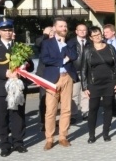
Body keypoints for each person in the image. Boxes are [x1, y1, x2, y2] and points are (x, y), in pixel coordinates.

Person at [0, 18, 31, 156]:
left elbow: (31, 66)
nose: (8, 33)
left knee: (18, 116)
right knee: (2, 117)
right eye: (4, 30)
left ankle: (18, 142)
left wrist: (26, 66)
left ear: (13, 31)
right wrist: (5, 73)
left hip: (18, 87)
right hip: (1, 88)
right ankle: (5, 145)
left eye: (10, 30)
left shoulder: (20, 46)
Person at [80, 26, 116, 143]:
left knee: (108, 107)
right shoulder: (88, 50)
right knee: (93, 108)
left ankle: (106, 133)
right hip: (94, 84)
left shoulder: (110, 48)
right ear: (90, 37)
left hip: (109, 82)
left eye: (99, 34)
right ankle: (92, 135)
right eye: (94, 35)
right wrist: (84, 86)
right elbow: (83, 69)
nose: (97, 37)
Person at [40, 17, 78, 150]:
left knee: (66, 109)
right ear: (54, 28)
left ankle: (63, 137)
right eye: (61, 26)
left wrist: (64, 44)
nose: (64, 28)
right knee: (50, 110)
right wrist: (62, 61)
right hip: (52, 79)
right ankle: (49, 139)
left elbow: (74, 56)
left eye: (65, 26)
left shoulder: (69, 43)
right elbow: (45, 59)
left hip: (67, 77)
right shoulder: (47, 43)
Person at [70, 23, 90, 122]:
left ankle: (86, 112)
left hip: (86, 72)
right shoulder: (71, 43)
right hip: (74, 71)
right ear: (76, 31)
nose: (82, 32)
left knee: (85, 93)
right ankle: (73, 114)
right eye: (80, 30)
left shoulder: (90, 43)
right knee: (74, 94)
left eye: (84, 30)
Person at [35, 25, 54, 125]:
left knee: (55, 100)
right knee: (44, 99)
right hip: (43, 74)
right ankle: (44, 122)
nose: (52, 33)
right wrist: (46, 34)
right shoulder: (43, 42)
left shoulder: (58, 41)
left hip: (55, 74)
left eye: (53, 31)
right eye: (50, 31)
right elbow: (38, 43)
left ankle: (52, 120)